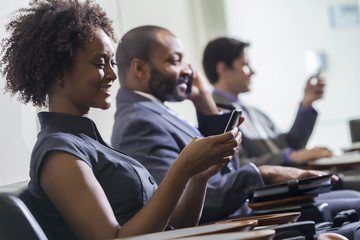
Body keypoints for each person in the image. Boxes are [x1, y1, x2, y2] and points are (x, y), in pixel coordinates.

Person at [0, 1, 243, 239]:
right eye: (100, 63)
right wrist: (181, 169)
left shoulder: (85, 142)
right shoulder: (59, 153)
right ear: (58, 72)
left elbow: (174, 227)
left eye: (112, 63)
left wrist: (199, 177)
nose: (113, 74)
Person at [110, 25, 360, 223]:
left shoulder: (155, 111)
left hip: (243, 212)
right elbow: (179, 205)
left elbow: (221, 169)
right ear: (140, 68)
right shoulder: (139, 122)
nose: (187, 70)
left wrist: (205, 102)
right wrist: (262, 173)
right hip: (237, 219)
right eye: (175, 60)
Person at [202, 36, 333, 167]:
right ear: (223, 69)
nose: (253, 72)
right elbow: (238, 167)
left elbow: (291, 146)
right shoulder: (216, 116)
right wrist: (290, 157)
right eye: (245, 64)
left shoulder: (254, 112)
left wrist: (307, 103)